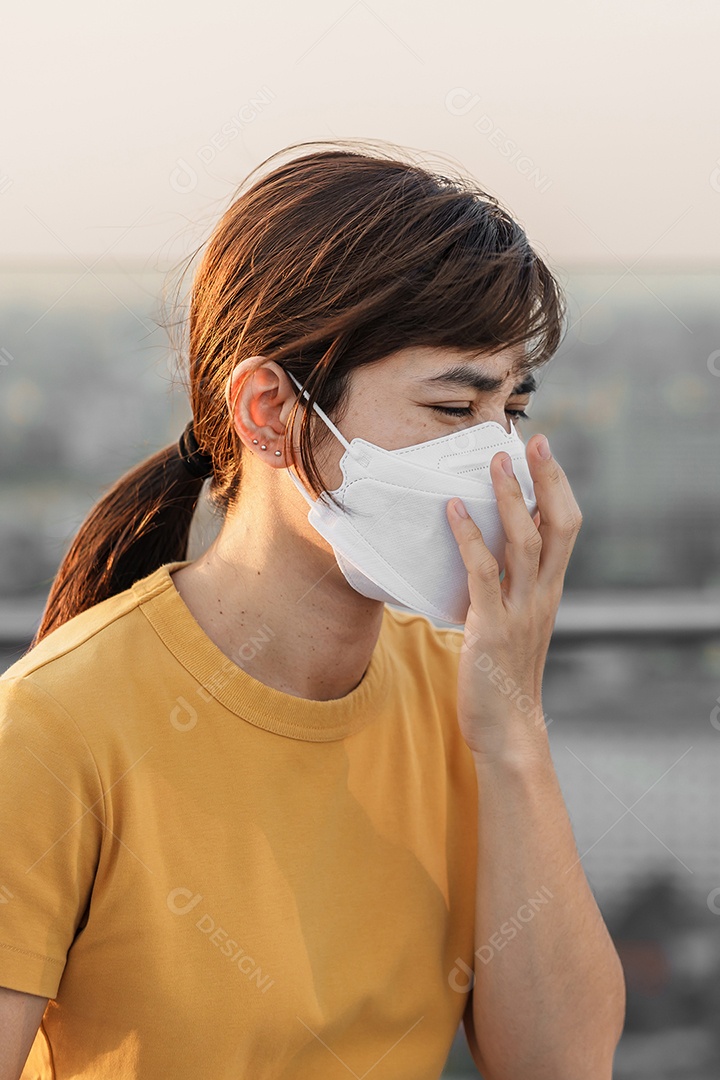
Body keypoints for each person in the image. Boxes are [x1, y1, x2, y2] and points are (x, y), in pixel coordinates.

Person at [0, 139, 625, 1080]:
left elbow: (562, 1066)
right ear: (268, 412)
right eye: (454, 411)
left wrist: (514, 735)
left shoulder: (456, 697)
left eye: (513, 410)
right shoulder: (52, 728)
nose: (496, 460)